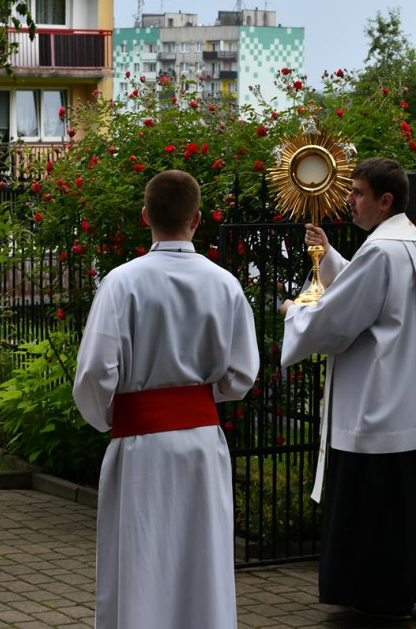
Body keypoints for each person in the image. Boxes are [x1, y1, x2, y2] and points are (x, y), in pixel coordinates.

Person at [73, 169, 259, 629]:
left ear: (144, 216)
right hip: (200, 443)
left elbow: (97, 371)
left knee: (142, 561)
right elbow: (241, 373)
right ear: (197, 219)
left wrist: (110, 417)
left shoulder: (122, 282)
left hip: (141, 447)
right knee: (202, 561)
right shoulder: (224, 284)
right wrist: (198, 396)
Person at [279, 157, 416, 617]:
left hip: (378, 403)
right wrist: (331, 257)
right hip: (405, 401)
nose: (349, 201)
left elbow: (340, 320)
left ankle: (373, 596)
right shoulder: (409, 240)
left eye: (357, 193)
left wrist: (294, 314)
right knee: (398, 510)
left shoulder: (382, 250)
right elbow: (369, 290)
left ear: (385, 200)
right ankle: (397, 593)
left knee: (375, 512)